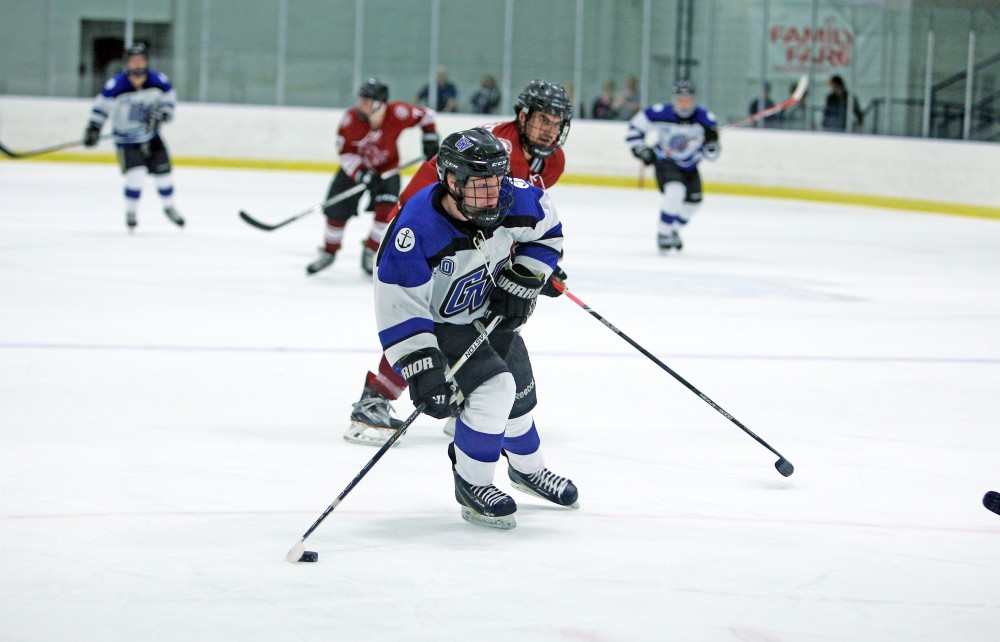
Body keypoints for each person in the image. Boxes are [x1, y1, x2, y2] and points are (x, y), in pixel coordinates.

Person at [345, 79, 572, 446]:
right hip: (432, 224)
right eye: (541, 119)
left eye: (555, 122)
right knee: (437, 315)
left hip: (472, 221)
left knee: (484, 311)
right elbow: (487, 214)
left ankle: (468, 399)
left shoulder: (552, 161)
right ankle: (375, 399)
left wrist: (537, 266)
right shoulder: (507, 154)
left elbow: (516, 218)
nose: (548, 129)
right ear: (522, 115)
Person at [374, 127, 578, 529]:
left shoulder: (512, 198)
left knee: (519, 397)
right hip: (441, 325)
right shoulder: (416, 228)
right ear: (450, 181)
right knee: (494, 390)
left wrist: (527, 275)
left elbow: (547, 231)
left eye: (498, 181)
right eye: (480, 185)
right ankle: (473, 483)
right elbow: (399, 304)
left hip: (489, 314)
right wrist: (423, 367)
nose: (494, 194)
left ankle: (528, 470)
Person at [306, 78, 439, 276]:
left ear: (381, 104)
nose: (362, 105)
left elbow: (427, 116)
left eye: (367, 102)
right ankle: (329, 251)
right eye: (361, 100)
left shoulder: (399, 113)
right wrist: (361, 173)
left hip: (387, 170)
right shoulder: (351, 119)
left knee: (387, 214)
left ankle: (370, 250)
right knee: (335, 211)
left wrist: (430, 138)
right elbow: (345, 152)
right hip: (355, 170)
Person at [82, 43, 182, 232]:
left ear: (146, 62)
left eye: (141, 60)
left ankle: (169, 207)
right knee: (135, 176)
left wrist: (163, 116)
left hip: (151, 137)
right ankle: (131, 212)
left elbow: (169, 100)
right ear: (127, 63)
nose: (137, 64)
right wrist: (93, 128)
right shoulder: (117, 84)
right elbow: (102, 106)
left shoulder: (158, 80)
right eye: (133, 61)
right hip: (127, 141)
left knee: (164, 175)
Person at [626, 78, 721, 252]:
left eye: (688, 100)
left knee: (694, 204)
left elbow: (712, 155)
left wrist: (711, 142)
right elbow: (634, 129)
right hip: (666, 162)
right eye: (680, 100)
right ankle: (663, 233)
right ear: (674, 100)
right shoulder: (660, 113)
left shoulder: (705, 118)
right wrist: (641, 149)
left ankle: (673, 230)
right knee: (675, 191)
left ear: (694, 100)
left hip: (691, 166)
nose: (684, 104)